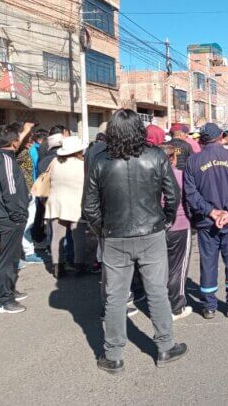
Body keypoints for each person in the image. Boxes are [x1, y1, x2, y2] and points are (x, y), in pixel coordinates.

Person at [83, 109, 186, 373]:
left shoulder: (100, 161)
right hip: (151, 233)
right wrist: (166, 220)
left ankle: (113, 355)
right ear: (139, 129)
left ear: (113, 131)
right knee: (157, 291)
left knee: (115, 297)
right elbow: (172, 195)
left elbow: (89, 208)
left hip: (114, 236)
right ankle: (165, 346)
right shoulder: (156, 156)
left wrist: (101, 230)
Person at [184, 123, 228, 319]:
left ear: (202, 139)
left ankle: (209, 306)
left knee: (208, 262)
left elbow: (190, 193)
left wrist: (211, 212)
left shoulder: (193, 161)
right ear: (221, 136)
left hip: (207, 222)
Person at [0, 121, 35, 314]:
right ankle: (4, 300)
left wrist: (24, 131)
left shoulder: (1, 155)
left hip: (8, 218)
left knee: (10, 258)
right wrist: (18, 216)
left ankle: (8, 290)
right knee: (7, 260)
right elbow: (11, 192)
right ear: (14, 142)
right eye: (19, 139)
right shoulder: (5, 160)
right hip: (9, 219)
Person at [45, 136, 88, 278]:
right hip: (76, 204)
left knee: (56, 237)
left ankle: (58, 268)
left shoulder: (54, 162)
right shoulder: (82, 164)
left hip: (56, 203)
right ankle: (79, 267)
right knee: (78, 237)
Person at [161, 144, 193, 321]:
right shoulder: (180, 176)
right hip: (180, 224)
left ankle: (160, 304)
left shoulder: (150, 176)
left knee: (160, 267)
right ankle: (176, 307)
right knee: (178, 268)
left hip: (157, 227)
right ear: (173, 158)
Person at [15, 131, 45, 266]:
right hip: (23, 193)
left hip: (30, 191)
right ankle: (20, 255)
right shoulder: (19, 154)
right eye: (28, 139)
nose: (30, 142)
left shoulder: (27, 152)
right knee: (23, 224)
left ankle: (29, 252)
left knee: (29, 223)